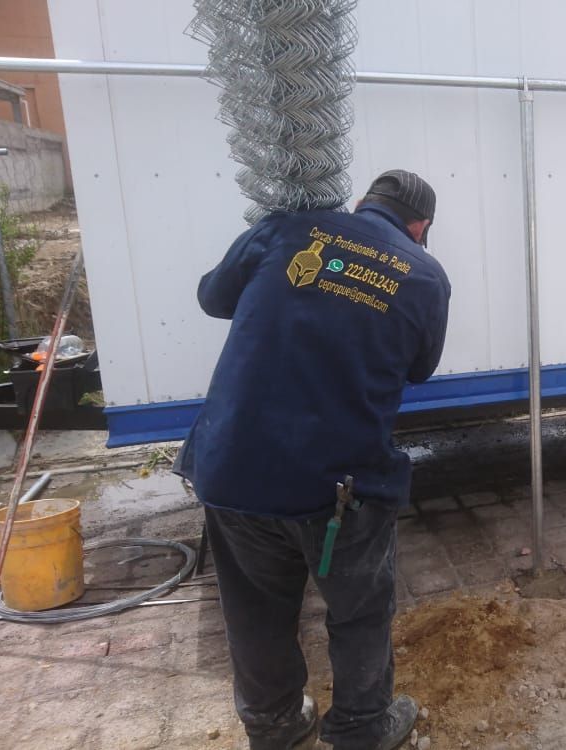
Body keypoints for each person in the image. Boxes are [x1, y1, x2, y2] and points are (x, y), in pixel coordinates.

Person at [176, 170, 451, 750]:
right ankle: (359, 729)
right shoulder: (425, 275)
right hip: (338, 486)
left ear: (360, 204)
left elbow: (212, 297)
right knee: (359, 610)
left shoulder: (287, 229)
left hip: (234, 469)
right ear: (421, 226)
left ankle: (274, 725)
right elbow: (420, 369)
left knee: (255, 610)